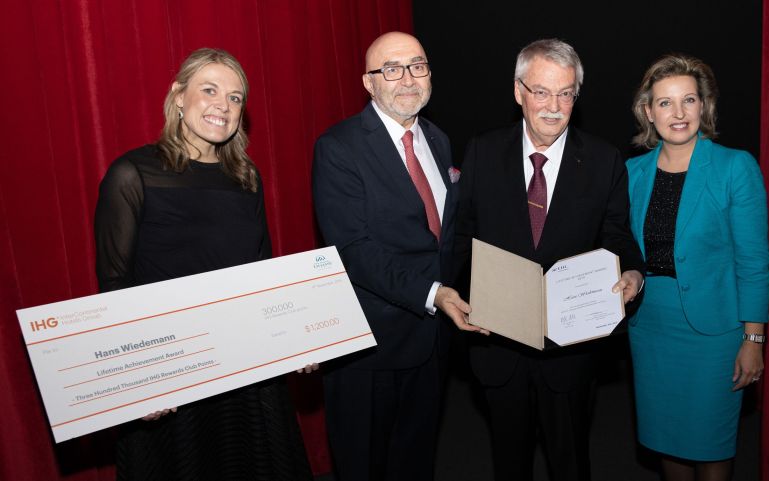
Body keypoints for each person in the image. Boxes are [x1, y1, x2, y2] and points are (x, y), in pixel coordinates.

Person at [94, 48, 313, 481]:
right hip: (172, 377)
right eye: (209, 90)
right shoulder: (132, 173)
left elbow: (262, 273)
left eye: (235, 98)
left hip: (247, 374)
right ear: (178, 97)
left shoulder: (246, 177)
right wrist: (141, 379)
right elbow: (114, 287)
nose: (223, 106)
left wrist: (298, 339)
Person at [454, 38, 645, 481]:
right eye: (541, 91)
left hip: (571, 353)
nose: (554, 106)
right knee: (509, 465)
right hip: (498, 347)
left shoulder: (603, 159)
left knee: (571, 464)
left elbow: (617, 235)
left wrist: (632, 272)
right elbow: (462, 238)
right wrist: (467, 296)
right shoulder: (482, 151)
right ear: (519, 91)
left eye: (566, 93)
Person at [312, 31, 473, 481]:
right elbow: (354, 252)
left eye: (418, 66)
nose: (407, 79)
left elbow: (443, 238)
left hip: (432, 342)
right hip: (369, 347)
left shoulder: (438, 140)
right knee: (364, 466)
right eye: (392, 69)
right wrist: (435, 293)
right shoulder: (339, 147)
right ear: (369, 83)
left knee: (415, 462)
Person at [625, 54, 769, 481]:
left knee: (710, 443)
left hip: (715, 334)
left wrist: (754, 338)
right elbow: (618, 248)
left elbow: (754, 262)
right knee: (667, 439)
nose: (679, 112)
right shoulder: (633, 172)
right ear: (648, 112)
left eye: (689, 100)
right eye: (665, 103)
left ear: (703, 106)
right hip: (651, 328)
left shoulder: (734, 167)